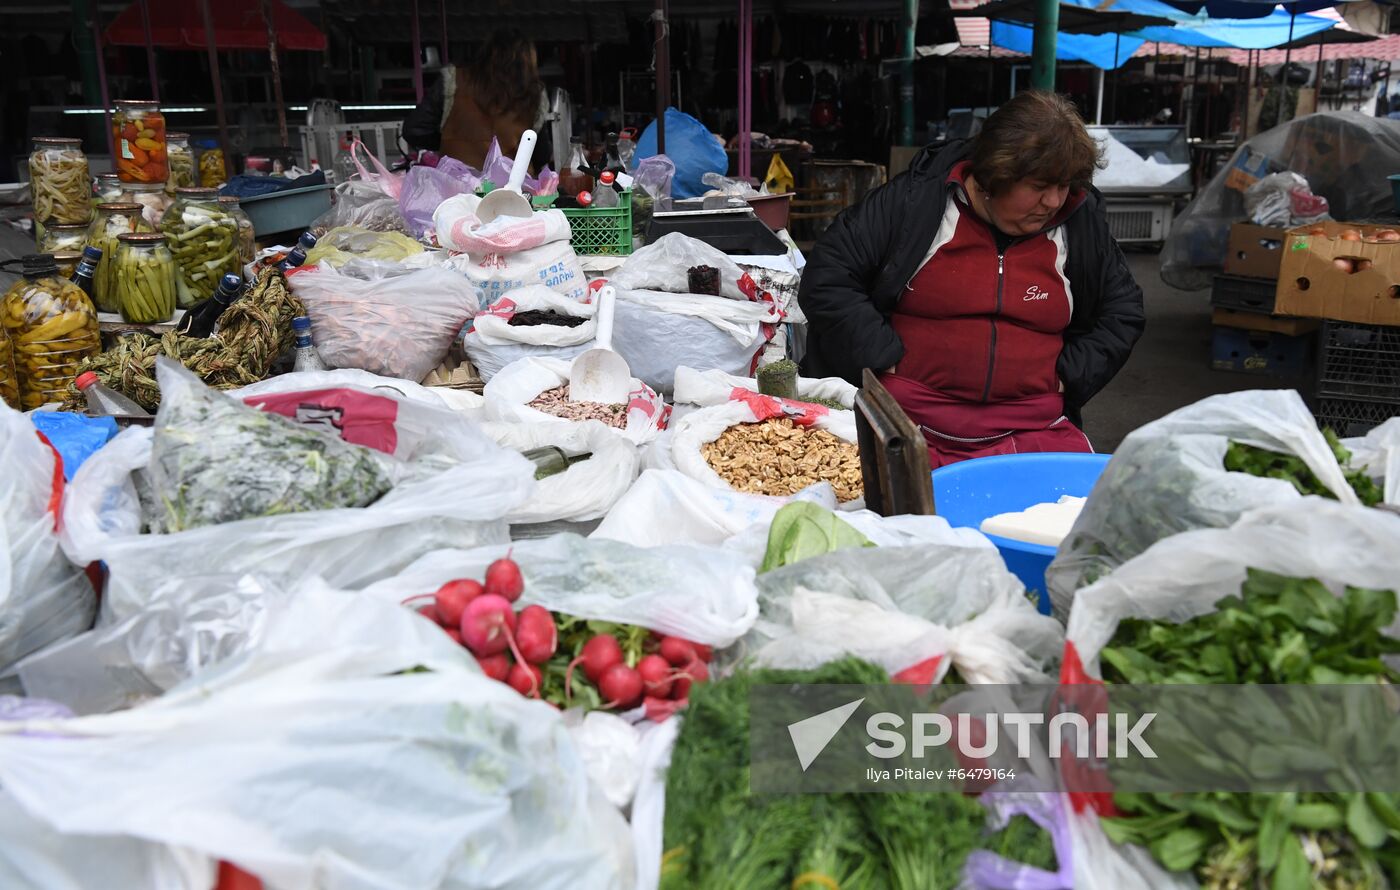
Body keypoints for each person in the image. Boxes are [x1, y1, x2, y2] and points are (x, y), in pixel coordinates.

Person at [797, 90, 1145, 468]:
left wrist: (1071, 375)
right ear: (994, 175)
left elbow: (1123, 310)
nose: (1054, 201)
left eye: (1063, 186)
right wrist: (883, 359)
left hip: (1034, 429)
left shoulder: (1079, 222)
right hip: (908, 425)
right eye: (1039, 187)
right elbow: (829, 275)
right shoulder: (918, 201)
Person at [401, 30, 548, 170]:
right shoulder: (534, 94)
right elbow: (542, 155)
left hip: (457, 187)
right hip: (513, 189)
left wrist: (449, 141)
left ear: (485, 54)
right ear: (528, 61)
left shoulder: (455, 80)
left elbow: (413, 130)